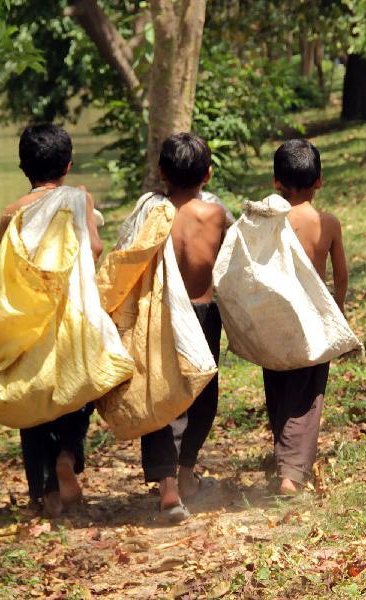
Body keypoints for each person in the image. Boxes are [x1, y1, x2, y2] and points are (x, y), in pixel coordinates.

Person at [0, 123, 103, 516]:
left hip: (30, 321)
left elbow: (3, 272)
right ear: (69, 165)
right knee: (82, 391)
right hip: (73, 314)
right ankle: (68, 454)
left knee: (32, 401)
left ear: (24, 167)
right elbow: (93, 247)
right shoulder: (80, 199)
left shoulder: (12, 213)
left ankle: (46, 493)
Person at [140, 133, 227, 522]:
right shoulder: (217, 215)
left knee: (159, 397)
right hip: (204, 313)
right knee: (202, 396)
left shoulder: (151, 215)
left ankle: (170, 488)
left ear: (161, 174)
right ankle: (187, 472)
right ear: (207, 174)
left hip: (161, 316)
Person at [265, 139, 348, 495]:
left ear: (276, 181)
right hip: (313, 317)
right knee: (309, 394)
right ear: (319, 181)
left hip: (275, 317)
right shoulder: (327, 223)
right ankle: (292, 472)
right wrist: (339, 307)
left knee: (279, 387)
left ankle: (284, 460)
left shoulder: (269, 221)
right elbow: (340, 275)